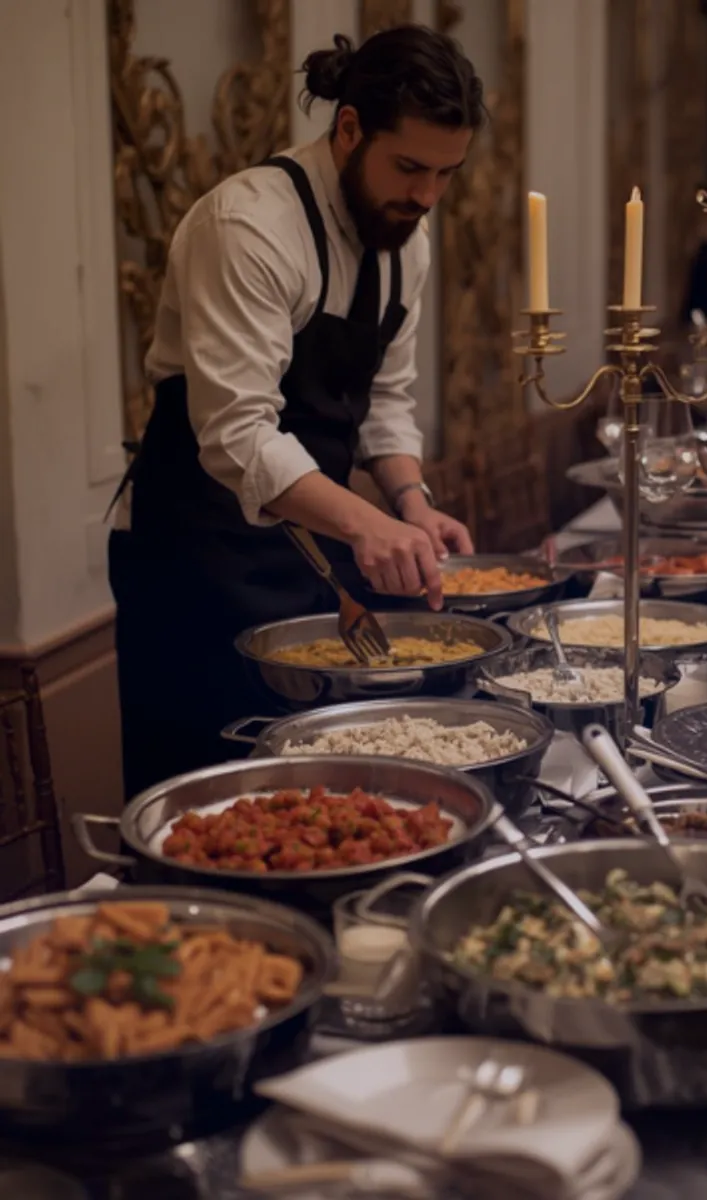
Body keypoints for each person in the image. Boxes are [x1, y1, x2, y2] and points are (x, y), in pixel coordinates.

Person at [109, 26, 485, 799]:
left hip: (312, 552)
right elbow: (239, 438)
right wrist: (365, 522)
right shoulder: (247, 226)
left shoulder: (403, 240)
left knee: (327, 790)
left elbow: (384, 399)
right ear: (348, 128)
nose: (426, 197)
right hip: (197, 559)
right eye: (410, 167)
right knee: (215, 800)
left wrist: (413, 505)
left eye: (447, 174)